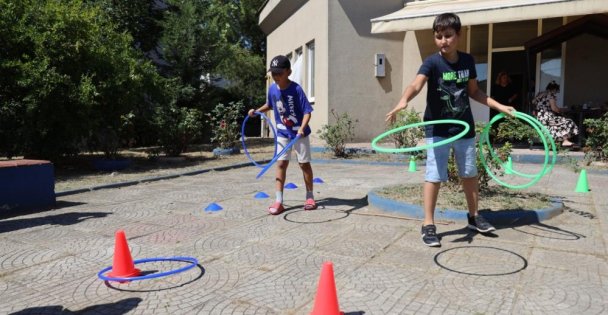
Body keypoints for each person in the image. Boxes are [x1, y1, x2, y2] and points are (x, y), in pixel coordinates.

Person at [385, 13, 515, 247]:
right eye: (439, 36)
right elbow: (416, 83)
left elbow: (475, 92)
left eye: (448, 36)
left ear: (458, 35)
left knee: (469, 174)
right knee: (434, 176)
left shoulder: (467, 61)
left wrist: (499, 106)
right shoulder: (432, 62)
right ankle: (428, 224)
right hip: (438, 129)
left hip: (464, 127)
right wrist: (404, 99)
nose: (443, 41)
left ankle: (474, 217)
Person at [248, 55, 317, 215]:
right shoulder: (272, 89)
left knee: (304, 164)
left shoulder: (296, 89)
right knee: (280, 164)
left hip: (300, 134)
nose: (276, 76)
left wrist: (301, 128)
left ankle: (309, 196)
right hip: (282, 133)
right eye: (273, 73)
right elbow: (269, 105)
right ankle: (279, 201)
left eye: (279, 73)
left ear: (288, 72)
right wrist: (256, 111)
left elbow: (307, 111)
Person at [532, 81, 578, 147]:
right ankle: (565, 141)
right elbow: (554, 108)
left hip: (540, 117)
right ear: (554, 89)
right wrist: (560, 110)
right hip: (548, 116)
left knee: (557, 124)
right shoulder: (550, 95)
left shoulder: (540, 94)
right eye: (556, 91)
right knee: (568, 121)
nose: (556, 93)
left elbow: (533, 101)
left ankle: (559, 141)